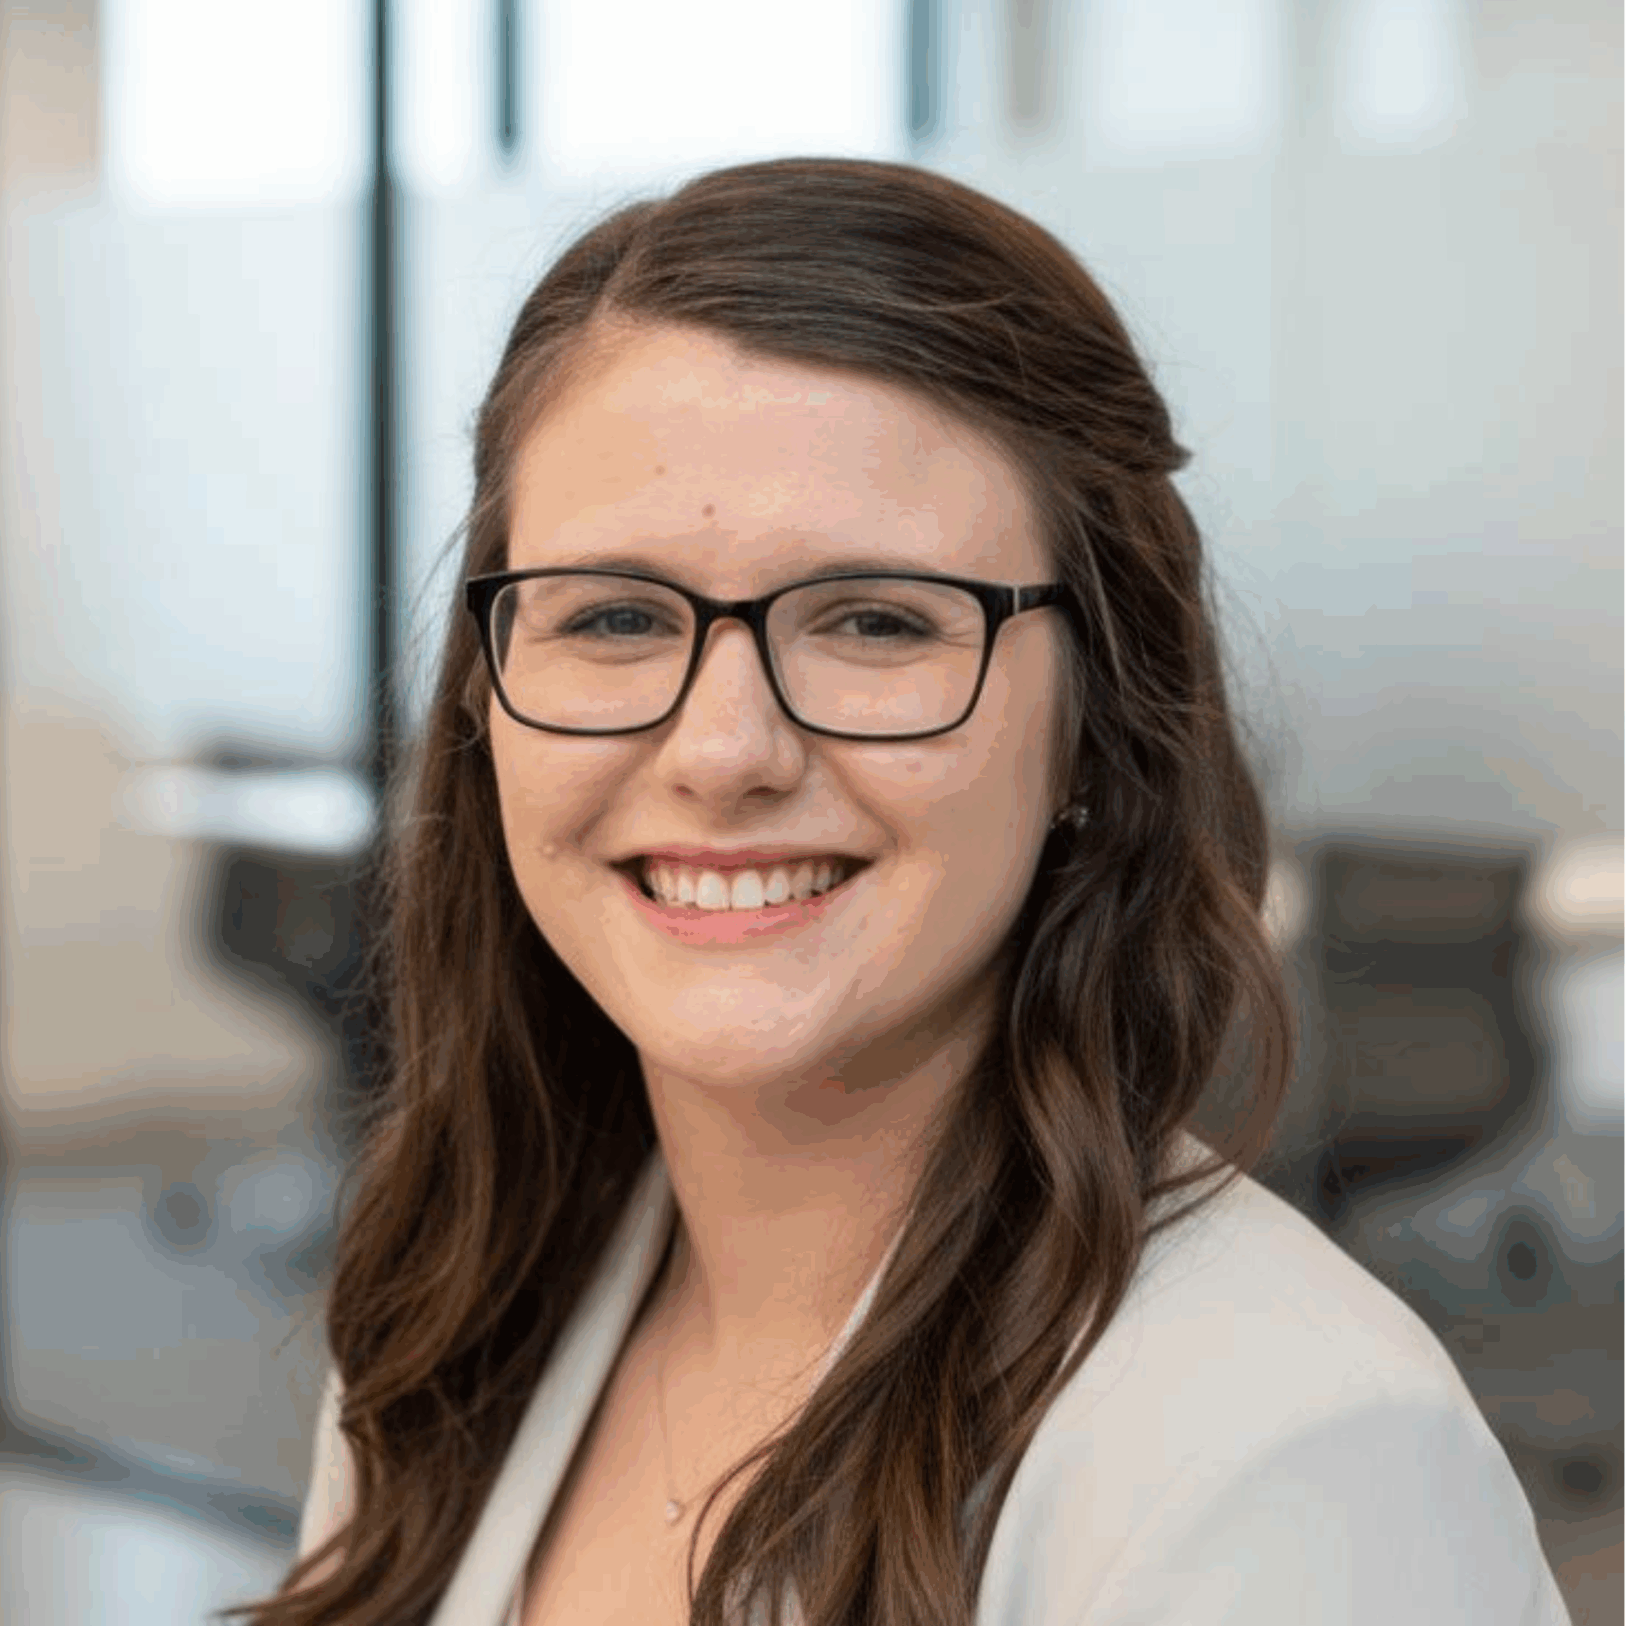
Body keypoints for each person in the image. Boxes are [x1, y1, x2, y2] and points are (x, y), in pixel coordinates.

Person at [236, 158, 1568, 1626]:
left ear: (1095, 721)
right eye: (612, 615)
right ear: (486, 698)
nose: (723, 748)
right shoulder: (454, 1328)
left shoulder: (1290, 1461)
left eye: (873, 620)